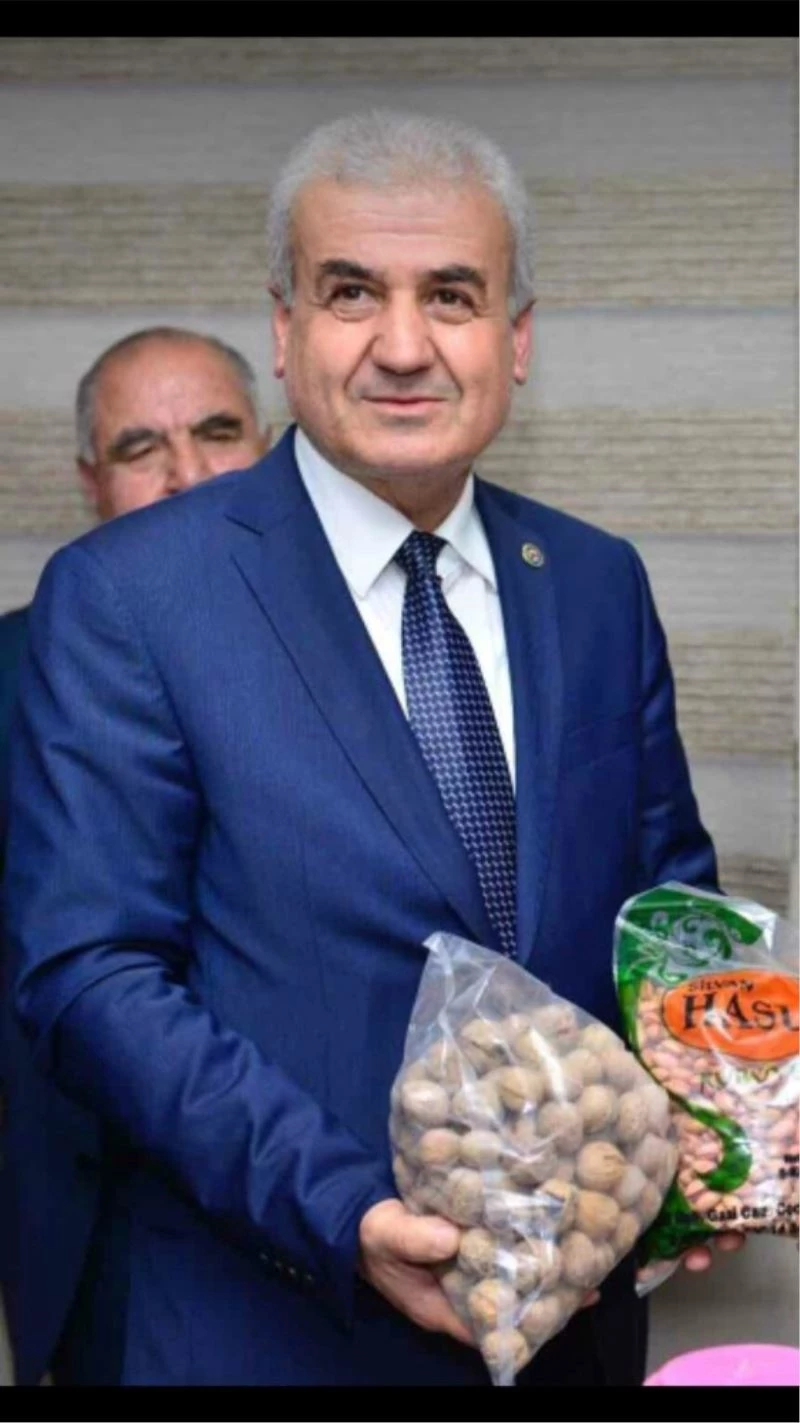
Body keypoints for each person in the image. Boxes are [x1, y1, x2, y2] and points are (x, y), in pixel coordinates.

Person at [4, 112, 741, 1388]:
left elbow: (667, 905)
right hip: (272, 1327)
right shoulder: (131, 595)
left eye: (450, 296)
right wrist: (343, 1211)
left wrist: (717, 1122)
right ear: (284, 330)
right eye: (352, 293)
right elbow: (90, 974)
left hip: (570, 1334)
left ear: (515, 338)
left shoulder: (592, 582)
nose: (402, 346)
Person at [0, 327, 270, 1386]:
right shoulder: (12, 668)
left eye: (217, 433)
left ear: (270, 446)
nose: (185, 474)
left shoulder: (380, 638)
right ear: (91, 481)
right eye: (139, 447)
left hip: (353, 1211)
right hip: (100, 1217)